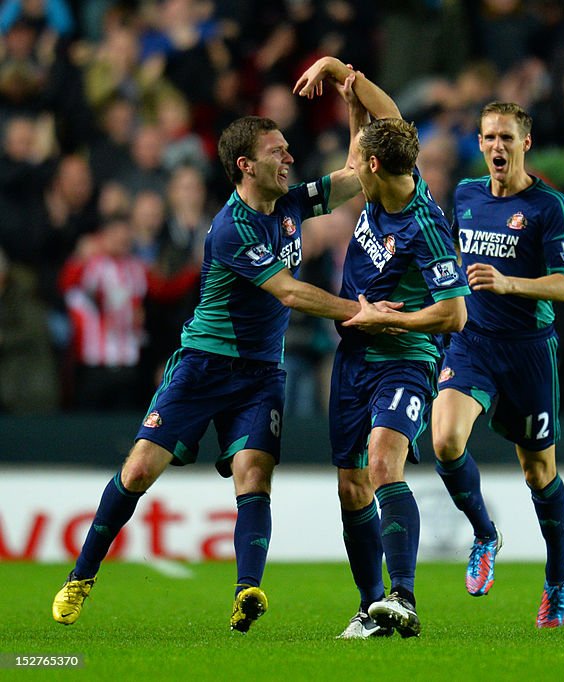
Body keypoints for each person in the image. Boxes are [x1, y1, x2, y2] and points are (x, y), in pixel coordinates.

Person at [51, 109, 408, 631]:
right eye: (277, 152)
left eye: (288, 148)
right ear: (245, 165)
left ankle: (247, 592)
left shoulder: (290, 201)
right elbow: (287, 290)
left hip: (261, 374)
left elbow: (357, 174)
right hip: (202, 367)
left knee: (255, 474)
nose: (289, 158)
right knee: (137, 471)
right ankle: (80, 578)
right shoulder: (231, 229)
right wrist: (361, 310)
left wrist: (349, 93)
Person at [293, 57, 469, 640]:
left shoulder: (426, 227)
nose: (351, 172)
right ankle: (371, 608)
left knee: (382, 464)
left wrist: (395, 319)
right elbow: (390, 118)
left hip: (404, 358)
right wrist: (345, 74)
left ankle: (405, 597)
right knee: (350, 486)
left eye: (357, 162)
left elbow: (456, 314)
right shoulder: (391, 171)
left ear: (372, 166)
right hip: (353, 357)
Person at [430, 101, 564, 628]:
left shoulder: (550, 206)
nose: (497, 147)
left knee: (539, 473)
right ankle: (484, 534)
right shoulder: (467, 195)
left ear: (526, 143)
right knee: (446, 441)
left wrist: (509, 281)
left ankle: (558, 574)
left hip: (528, 353)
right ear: (479, 142)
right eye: (489, 137)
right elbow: (450, 256)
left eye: (507, 138)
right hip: (473, 344)